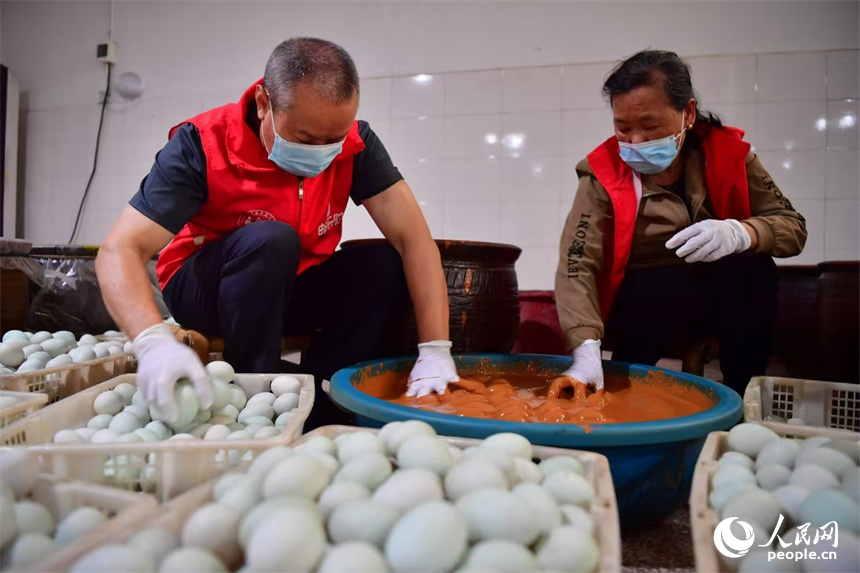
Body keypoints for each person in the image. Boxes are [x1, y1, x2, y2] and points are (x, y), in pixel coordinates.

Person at [96, 38, 458, 428]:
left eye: (333, 142)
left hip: (291, 287)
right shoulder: (202, 144)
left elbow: (414, 241)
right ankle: (255, 403)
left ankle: (326, 405)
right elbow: (120, 250)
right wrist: (152, 343)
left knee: (381, 262)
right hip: (207, 289)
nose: (322, 153)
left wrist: (435, 348)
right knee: (271, 239)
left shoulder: (356, 144)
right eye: (305, 140)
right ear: (262, 103)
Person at [555, 50, 807, 395]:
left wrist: (740, 233)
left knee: (753, 270)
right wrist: (583, 348)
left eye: (650, 126)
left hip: (717, 297)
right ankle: (620, 392)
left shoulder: (729, 155)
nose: (635, 142)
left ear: (687, 113)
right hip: (641, 303)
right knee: (657, 289)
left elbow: (792, 227)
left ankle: (741, 396)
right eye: (623, 128)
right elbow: (577, 262)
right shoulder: (602, 173)